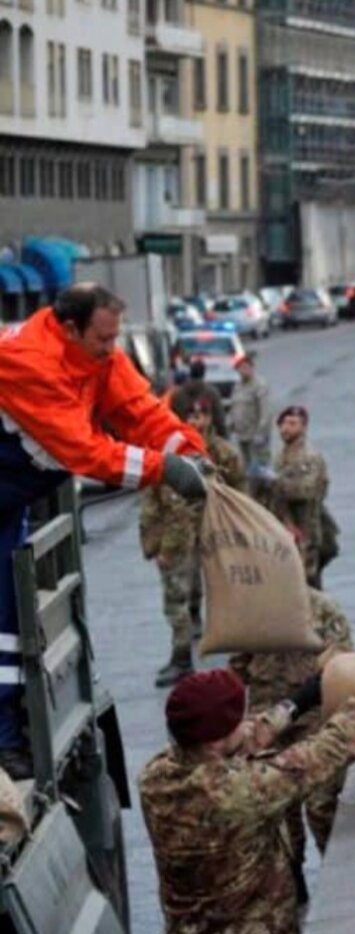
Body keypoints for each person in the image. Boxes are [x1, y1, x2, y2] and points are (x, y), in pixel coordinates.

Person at [0, 283, 209, 778]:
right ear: (69, 328)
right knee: (1, 625)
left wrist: (191, 449)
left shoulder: (92, 355)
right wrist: (167, 470)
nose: (112, 350)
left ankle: (8, 735)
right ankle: (3, 742)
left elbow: (138, 410)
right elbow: (85, 451)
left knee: (7, 620)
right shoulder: (25, 361)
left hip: (7, 500)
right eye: (103, 340)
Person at [139, 644, 355, 933]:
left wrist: (298, 702)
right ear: (216, 739)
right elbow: (327, 750)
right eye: (237, 718)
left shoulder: (155, 776)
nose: (245, 722)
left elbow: (238, 741)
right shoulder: (238, 791)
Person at [229, 587, 353, 896]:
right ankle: (292, 878)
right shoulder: (250, 611)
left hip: (311, 718)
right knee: (281, 812)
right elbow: (238, 668)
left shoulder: (322, 608)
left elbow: (342, 662)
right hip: (266, 721)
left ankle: (335, 875)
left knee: (321, 803)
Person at [140, 398, 246, 687]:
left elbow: (240, 494)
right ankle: (182, 656)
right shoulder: (168, 452)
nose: (198, 421)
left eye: (203, 415)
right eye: (192, 415)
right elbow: (153, 499)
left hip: (214, 536)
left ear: (212, 418)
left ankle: (241, 654)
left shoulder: (223, 453)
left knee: (228, 594)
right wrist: (155, 542)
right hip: (178, 542)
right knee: (177, 601)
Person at [270, 405, 329, 587]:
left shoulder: (309, 458)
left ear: (303, 427)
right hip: (284, 528)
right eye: (283, 423)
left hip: (306, 531)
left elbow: (307, 490)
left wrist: (276, 484)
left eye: (292, 423)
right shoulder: (280, 457)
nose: (285, 428)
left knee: (307, 583)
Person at [228, 353, 272, 478]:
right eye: (240, 368)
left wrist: (261, 433)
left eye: (246, 367)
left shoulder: (259, 386)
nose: (243, 371)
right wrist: (230, 425)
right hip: (242, 436)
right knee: (246, 471)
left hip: (256, 436)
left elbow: (266, 412)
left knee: (260, 471)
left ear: (252, 367)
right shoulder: (238, 386)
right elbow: (234, 407)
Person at [172, 357, 228, 439]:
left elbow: (172, 419)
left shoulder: (177, 395)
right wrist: (223, 436)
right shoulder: (212, 393)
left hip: (184, 438)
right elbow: (219, 419)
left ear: (190, 372)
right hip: (205, 439)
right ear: (204, 373)